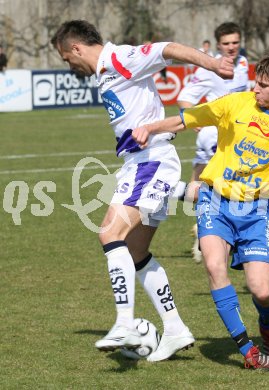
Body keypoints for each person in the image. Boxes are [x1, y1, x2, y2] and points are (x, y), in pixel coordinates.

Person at [132, 52, 269, 369]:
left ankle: (268, 329)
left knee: (262, 291)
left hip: (257, 212)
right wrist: (149, 128)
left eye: (264, 85)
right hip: (216, 201)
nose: (256, 89)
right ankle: (247, 350)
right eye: (256, 82)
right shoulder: (235, 103)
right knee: (215, 267)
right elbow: (187, 119)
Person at [50, 20, 234, 362]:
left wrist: (210, 63)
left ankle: (125, 324)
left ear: (75, 48)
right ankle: (175, 328)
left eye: (65, 57)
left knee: (109, 232)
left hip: (152, 161)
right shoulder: (105, 71)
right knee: (134, 254)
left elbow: (167, 49)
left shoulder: (119, 57)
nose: (68, 64)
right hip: (141, 163)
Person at [176, 22, 249, 263]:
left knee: (203, 185)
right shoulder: (209, 69)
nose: (231, 47)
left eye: (235, 42)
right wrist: (194, 120)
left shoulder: (243, 64)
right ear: (218, 45)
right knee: (215, 187)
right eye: (226, 43)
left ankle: (204, 229)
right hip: (215, 136)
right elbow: (185, 97)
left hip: (237, 136)